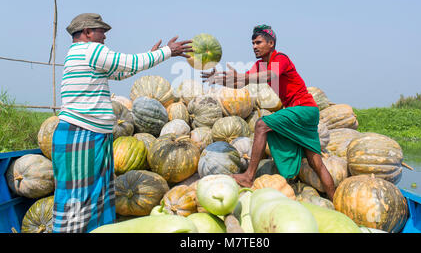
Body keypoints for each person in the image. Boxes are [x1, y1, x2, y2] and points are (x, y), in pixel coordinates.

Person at [52, 13, 192, 233]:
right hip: (81, 132)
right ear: (87, 32)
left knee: (96, 192)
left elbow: (121, 73)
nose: (105, 37)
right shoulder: (90, 50)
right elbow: (129, 62)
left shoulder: (82, 55)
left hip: (92, 134)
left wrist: (151, 56)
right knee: (77, 196)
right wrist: (167, 52)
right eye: (101, 31)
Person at [202, 24, 335, 200]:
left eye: (258, 42)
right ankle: (335, 200)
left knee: (261, 125)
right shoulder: (260, 65)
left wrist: (243, 77)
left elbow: (271, 76)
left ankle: (249, 176)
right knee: (315, 162)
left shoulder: (280, 59)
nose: (254, 47)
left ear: (271, 43)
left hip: (303, 109)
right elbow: (240, 83)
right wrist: (219, 79)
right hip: (306, 112)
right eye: (252, 43)